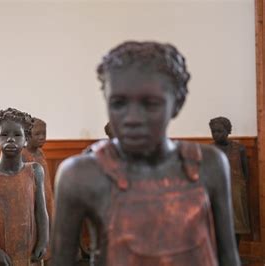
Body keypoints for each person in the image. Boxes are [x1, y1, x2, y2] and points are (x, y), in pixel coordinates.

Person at [52, 41, 239, 266]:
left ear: (177, 103)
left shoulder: (209, 165)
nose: (132, 118)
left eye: (150, 104)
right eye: (119, 103)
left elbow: (229, 258)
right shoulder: (81, 175)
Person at [0, 108, 48, 266]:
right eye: (4, 135)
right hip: (2, 256)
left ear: (26, 139)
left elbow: (41, 211)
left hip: (31, 252)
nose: (10, 140)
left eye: (17, 135)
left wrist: (43, 242)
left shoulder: (35, 171)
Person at [210, 116, 251, 247]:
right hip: (217, 192)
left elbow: (245, 172)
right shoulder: (210, 150)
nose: (216, 135)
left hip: (236, 192)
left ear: (228, 131)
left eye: (219, 131)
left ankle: (235, 255)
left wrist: (239, 186)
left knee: (236, 223)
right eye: (213, 131)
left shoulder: (239, 149)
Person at [22, 117, 54, 265]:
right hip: (33, 203)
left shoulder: (40, 153)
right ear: (27, 135)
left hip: (47, 200)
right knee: (35, 240)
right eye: (38, 134)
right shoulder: (22, 155)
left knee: (49, 239)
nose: (42, 137)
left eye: (44, 133)